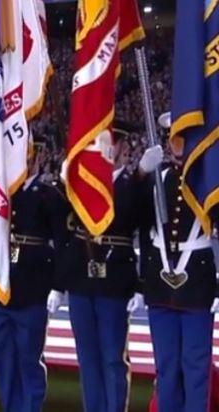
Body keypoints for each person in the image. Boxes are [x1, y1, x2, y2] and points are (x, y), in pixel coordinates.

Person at [49, 122, 156, 412]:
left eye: (112, 141)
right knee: (87, 358)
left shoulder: (133, 185)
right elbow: (64, 230)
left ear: (124, 146)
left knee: (112, 358)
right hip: (82, 279)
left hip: (115, 280)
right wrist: (63, 181)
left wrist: (141, 285)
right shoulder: (83, 184)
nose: (106, 147)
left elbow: (134, 220)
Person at [138, 114, 219, 412]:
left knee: (196, 369)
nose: (177, 143)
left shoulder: (209, 179)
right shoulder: (159, 179)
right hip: (160, 284)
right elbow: (136, 220)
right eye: (173, 137)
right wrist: (140, 175)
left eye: (183, 136)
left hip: (197, 283)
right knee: (167, 368)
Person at [0, 138, 68, 412]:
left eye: (28, 154)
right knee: (3, 361)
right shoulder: (1, 193)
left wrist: (58, 286)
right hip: (0, 289)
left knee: (29, 360)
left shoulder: (50, 196)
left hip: (33, 289)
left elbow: (63, 243)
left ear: (38, 157)